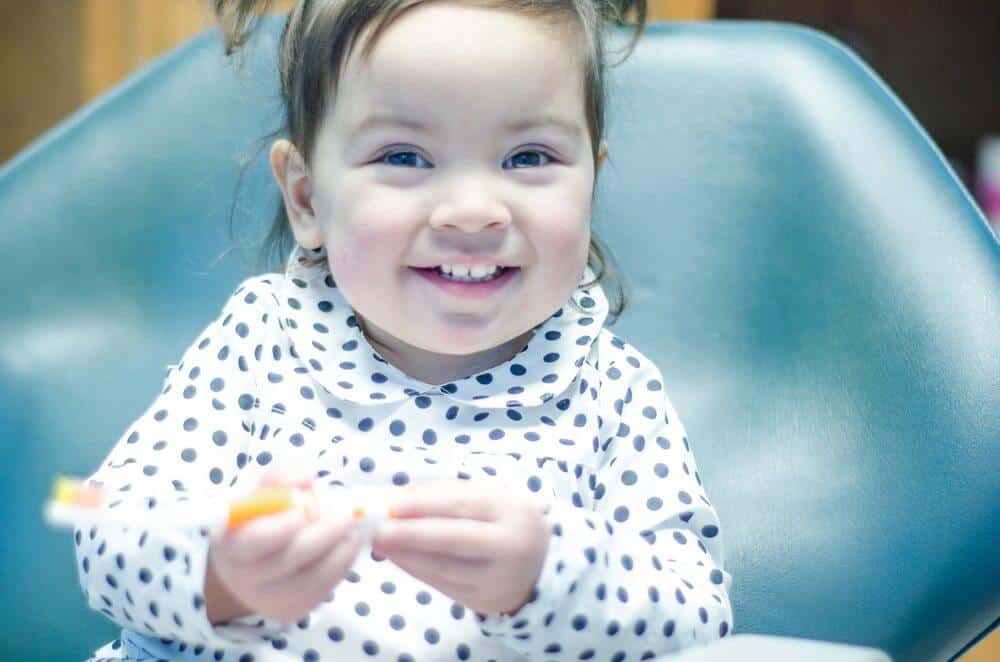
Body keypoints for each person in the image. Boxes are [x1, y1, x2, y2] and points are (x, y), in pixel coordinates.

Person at [74, 0, 734, 659]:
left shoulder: (611, 389)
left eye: (529, 156)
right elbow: (108, 524)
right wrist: (221, 571)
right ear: (307, 199)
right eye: (406, 158)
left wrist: (551, 577)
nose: (473, 211)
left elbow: (698, 617)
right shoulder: (260, 341)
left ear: (591, 180)